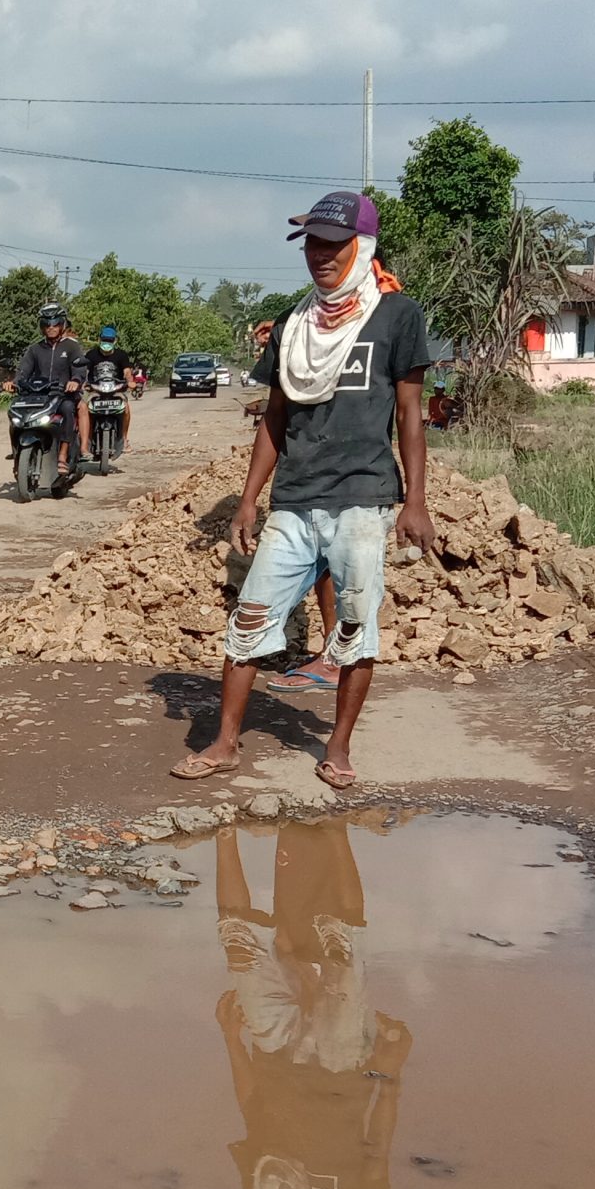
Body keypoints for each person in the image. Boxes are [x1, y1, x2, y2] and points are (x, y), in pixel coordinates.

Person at [171, 189, 438, 791]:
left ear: (362, 246)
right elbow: (275, 416)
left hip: (363, 499)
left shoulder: (398, 317)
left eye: (332, 243)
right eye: (312, 243)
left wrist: (415, 501)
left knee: (354, 627)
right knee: (247, 624)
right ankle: (224, 744)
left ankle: (337, 748)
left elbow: (410, 414)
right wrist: (247, 499)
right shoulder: (293, 324)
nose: (319, 254)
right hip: (294, 500)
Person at [213, 818, 411, 1189]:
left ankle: (224, 828)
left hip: (275, 1053)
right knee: (344, 950)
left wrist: (230, 1040)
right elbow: (378, 1146)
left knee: (238, 943)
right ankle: (337, 831)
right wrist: (392, 1072)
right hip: (342, 1067)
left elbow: (252, 1110)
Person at [12, 302, 86, 481]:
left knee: (69, 409)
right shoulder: (35, 349)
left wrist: (75, 381)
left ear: (62, 324)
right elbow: (23, 370)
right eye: (46, 324)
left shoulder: (71, 346)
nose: (51, 328)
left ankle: (63, 454)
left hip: (63, 395)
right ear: (41, 327)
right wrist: (13, 382)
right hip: (39, 396)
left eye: (55, 323)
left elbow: (79, 368)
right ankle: (16, 454)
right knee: (15, 414)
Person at [79, 322, 133, 464]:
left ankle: (124, 438)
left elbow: (127, 371)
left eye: (109, 341)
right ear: (99, 339)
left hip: (115, 390)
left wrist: (130, 381)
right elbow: (84, 371)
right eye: (104, 340)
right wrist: (82, 382)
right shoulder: (91, 354)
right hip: (95, 390)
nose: (106, 343)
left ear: (115, 341)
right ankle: (86, 442)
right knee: (84, 408)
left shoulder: (121, 355)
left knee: (126, 409)